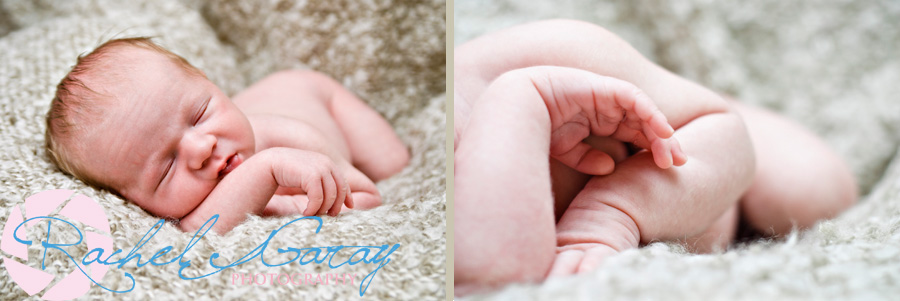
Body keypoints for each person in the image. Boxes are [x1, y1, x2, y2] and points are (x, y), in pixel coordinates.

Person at [453, 19, 857, 295]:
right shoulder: (425, 210)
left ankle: (688, 94)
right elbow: (491, 279)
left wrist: (611, 214)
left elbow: (723, 133)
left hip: (706, 170)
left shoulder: (549, 57)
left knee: (812, 191)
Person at [45, 37, 409, 234]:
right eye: (167, 168)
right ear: (134, 201)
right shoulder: (179, 212)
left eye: (200, 114)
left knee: (392, 163)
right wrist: (266, 171)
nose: (202, 148)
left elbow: (366, 197)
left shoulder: (293, 137)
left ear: (212, 83)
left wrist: (290, 202)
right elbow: (197, 230)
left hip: (317, 95)